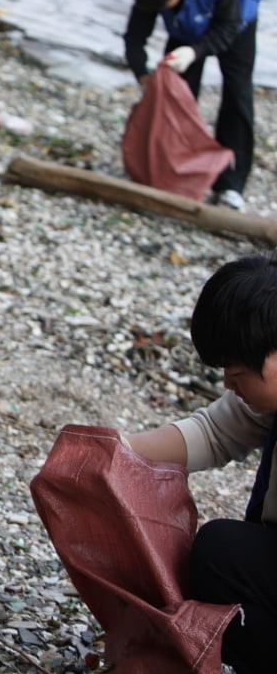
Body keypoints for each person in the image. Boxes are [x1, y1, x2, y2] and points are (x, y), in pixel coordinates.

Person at [120, 253, 277, 674]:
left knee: (220, 552)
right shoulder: (265, 400)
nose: (227, 383)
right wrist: (114, 450)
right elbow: (214, 430)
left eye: (238, 372)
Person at [123, 0, 261, 211]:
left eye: (164, 4)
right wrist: (143, 75)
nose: (158, 10)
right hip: (185, 23)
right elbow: (135, 37)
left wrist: (194, 53)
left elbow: (228, 27)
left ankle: (231, 185)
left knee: (237, 92)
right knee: (177, 94)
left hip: (237, 19)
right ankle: (175, 171)